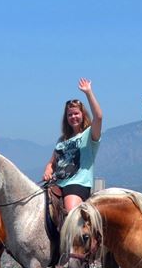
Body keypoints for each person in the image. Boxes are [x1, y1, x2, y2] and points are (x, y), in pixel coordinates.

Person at [43, 78, 104, 216]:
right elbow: (51, 162)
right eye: (70, 114)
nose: (73, 117)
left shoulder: (89, 135)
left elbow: (99, 117)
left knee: (71, 213)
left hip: (78, 184)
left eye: (76, 113)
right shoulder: (62, 140)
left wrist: (88, 93)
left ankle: (74, 237)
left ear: (83, 114)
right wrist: (48, 169)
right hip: (57, 184)